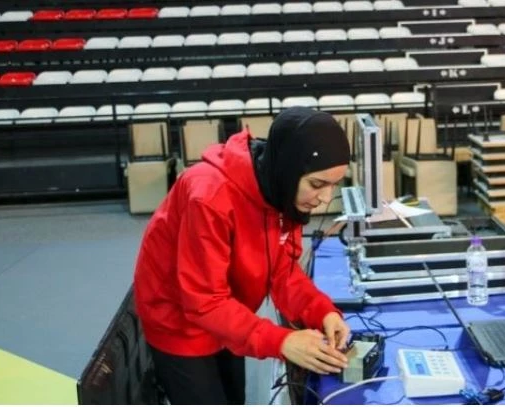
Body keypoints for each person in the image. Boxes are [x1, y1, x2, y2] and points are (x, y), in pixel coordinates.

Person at [133, 106, 353, 404]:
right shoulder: (209, 196)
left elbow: (283, 272)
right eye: (317, 184)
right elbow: (204, 302)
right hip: (178, 323)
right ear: (288, 170)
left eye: (334, 185)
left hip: (227, 312)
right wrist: (282, 341)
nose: (325, 198)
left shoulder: (280, 190)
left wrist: (322, 311)